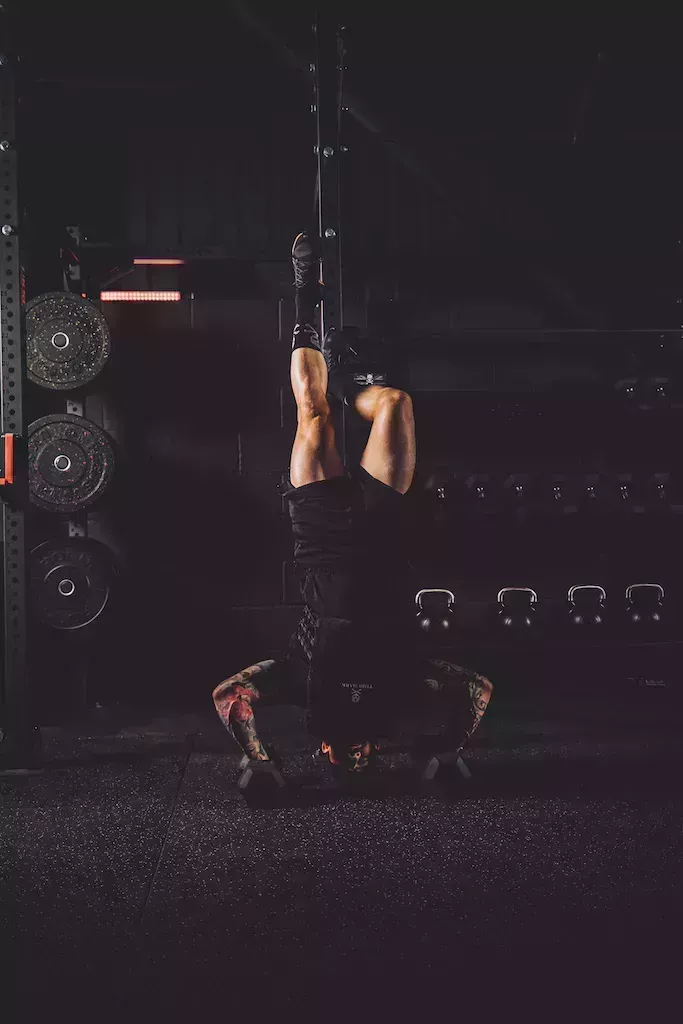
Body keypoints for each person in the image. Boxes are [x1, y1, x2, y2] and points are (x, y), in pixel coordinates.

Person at [212, 232, 493, 774]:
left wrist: (258, 758)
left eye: (347, 760)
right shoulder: (404, 681)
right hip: (385, 532)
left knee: (313, 415)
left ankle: (304, 295)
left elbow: (229, 694)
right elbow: (477, 688)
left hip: (322, 541)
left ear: (325, 749)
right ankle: (348, 379)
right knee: (394, 401)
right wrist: (449, 749)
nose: (360, 756)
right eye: (368, 759)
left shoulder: (298, 680)